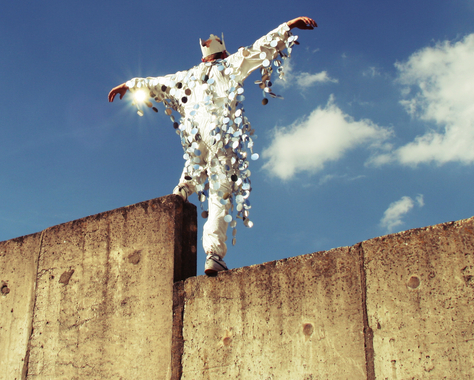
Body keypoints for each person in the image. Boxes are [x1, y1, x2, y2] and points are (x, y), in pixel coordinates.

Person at [108, 17, 317, 275]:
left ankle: (180, 194)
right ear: (224, 52)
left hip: (195, 136)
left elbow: (155, 83)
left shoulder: (185, 78)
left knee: (193, 170)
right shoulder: (230, 65)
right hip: (221, 135)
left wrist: (129, 84)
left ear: (204, 58)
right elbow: (261, 48)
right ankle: (214, 254)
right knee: (220, 191)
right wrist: (290, 25)